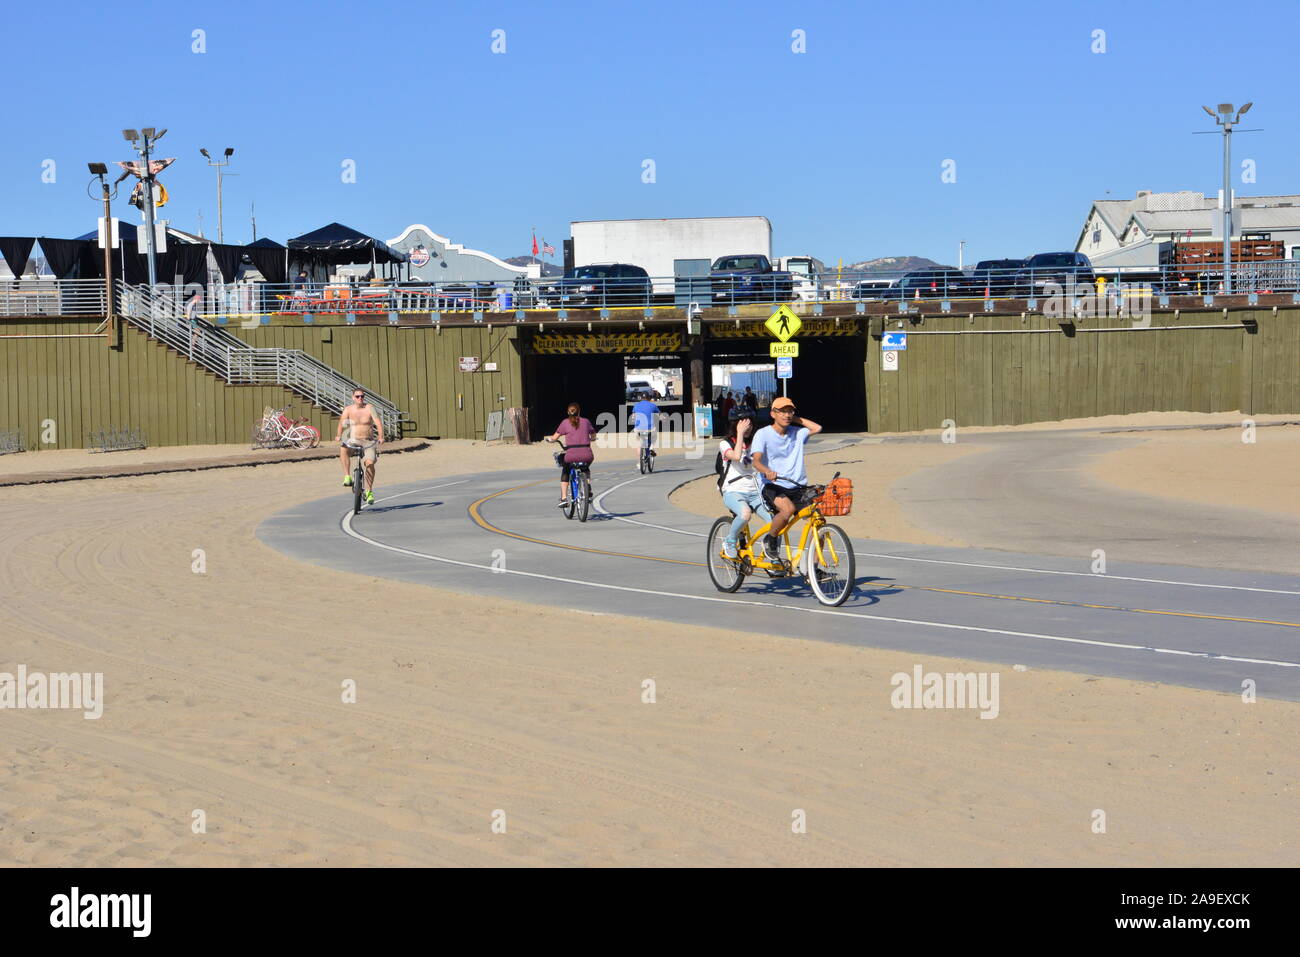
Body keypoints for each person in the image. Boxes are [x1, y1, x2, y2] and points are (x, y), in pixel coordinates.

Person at [751, 395, 823, 562]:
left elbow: (817, 428)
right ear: (772, 414)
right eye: (782, 412)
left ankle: (813, 567)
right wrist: (767, 471)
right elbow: (756, 461)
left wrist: (794, 419)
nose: (787, 415)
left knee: (818, 520)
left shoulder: (796, 433)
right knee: (788, 510)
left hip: (797, 486)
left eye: (790, 411)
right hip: (773, 485)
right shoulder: (763, 434)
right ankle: (771, 538)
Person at [717, 410, 772, 559]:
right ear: (736, 425)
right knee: (745, 513)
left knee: (775, 522)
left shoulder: (755, 443)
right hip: (733, 491)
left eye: (750, 424)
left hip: (755, 491)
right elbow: (735, 456)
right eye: (744, 425)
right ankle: (730, 541)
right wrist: (739, 434)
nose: (748, 428)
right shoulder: (725, 443)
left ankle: (772, 555)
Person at [545, 402, 600, 507]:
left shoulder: (565, 423)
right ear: (579, 411)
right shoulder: (586, 422)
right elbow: (593, 436)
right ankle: (587, 485)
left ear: (568, 412)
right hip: (586, 454)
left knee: (565, 470)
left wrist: (549, 440)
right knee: (585, 468)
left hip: (571, 455)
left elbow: (554, 438)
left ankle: (564, 498)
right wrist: (591, 439)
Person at [336, 389, 384, 504]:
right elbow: (341, 423)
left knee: (370, 463)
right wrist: (338, 435)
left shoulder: (369, 408)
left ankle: (369, 491)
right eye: (357, 396)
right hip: (353, 440)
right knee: (343, 449)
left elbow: (378, 423)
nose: (360, 398)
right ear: (353, 397)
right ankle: (347, 476)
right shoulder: (348, 409)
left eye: (362, 396)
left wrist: (381, 437)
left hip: (368, 441)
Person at [629, 391, 660, 458]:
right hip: (650, 428)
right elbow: (659, 414)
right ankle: (651, 447)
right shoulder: (653, 405)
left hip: (638, 428)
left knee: (638, 443)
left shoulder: (636, 405)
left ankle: (640, 461)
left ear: (641, 398)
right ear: (649, 398)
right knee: (654, 436)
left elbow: (633, 416)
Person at [185, 290, 203, 357]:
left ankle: (193, 344)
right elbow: (188, 313)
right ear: (196, 299)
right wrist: (188, 321)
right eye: (199, 300)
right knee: (198, 331)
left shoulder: (194, 305)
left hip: (194, 320)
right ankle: (192, 345)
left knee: (197, 332)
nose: (199, 301)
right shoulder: (191, 304)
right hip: (191, 320)